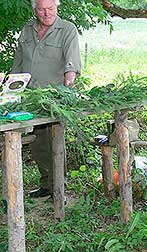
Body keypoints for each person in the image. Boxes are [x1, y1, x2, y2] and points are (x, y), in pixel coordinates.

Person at [12, 0, 81, 198]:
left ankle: (59, 186)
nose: (46, 13)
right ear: (35, 10)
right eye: (41, 9)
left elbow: (72, 61)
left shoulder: (67, 29)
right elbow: (18, 64)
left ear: (57, 7)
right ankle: (47, 184)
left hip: (55, 99)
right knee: (38, 143)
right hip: (30, 98)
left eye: (50, 8)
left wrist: (69, 82)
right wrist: (11, 88)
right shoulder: (27, 30)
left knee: (55, 142)